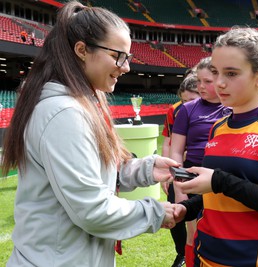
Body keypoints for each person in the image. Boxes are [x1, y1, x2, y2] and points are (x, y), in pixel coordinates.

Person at [1, 2, 179, 266]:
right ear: (82, 50)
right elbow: (92, 210)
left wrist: (147, 169)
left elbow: (95, 174)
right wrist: (154, 212)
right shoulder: (64, 113)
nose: (126, 67)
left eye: (128, 58)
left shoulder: (79, 104)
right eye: (119, 56)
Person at [173, 27, 258, 267]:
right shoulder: (219, 127)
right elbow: (219, 196)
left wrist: (219, 181)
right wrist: (186, 208)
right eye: (216, 72)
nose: (219, 83)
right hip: (208, 257)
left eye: (231, 74)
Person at [169, 56, 231, 267]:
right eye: (199, 81)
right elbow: (176, 151)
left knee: (222, 235)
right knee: (193, 235)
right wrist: (179, 188)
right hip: (191, 179)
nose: (201, 87)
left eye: (207, 81)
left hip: (223, 180)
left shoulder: (232, 108)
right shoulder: (187, 109)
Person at [161, 74, 200, 267]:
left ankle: (194, 255)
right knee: (176, 214)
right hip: (179, 172)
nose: (187, 105)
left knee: (196, 221)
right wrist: (169, 171)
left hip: (199, 172)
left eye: (191, 100)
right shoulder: (175, 111)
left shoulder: (214, 110)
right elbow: (168, 142)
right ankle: (181, 253)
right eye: (184, 100)